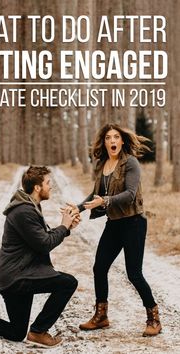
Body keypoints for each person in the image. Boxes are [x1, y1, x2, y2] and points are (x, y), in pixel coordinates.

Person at [0, 166, 80, 348]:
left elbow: (43, 237)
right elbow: (44, 244)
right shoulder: (23, 211)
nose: (51, 187)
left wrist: (66, 228)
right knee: (68, 283)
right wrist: (63, 227)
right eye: (48, 183)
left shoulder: (29, 206)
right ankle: (38, 332)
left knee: (17, 332)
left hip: (17, 276)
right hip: (18, 278)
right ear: (37, 187)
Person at [65, 123, 162, 337]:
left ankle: (153, 317)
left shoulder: (131, 163)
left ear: (122, 140)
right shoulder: (102, 164)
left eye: (116, 137)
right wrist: (78, 207)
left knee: (134, 273)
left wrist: (105, 201)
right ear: (104, 142)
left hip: (133, 222)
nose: (112, 141)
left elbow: (129, 194)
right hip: (114, 223)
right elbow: (95, 194)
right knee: (100, 267)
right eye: (108, 137)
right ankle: (101, 316)